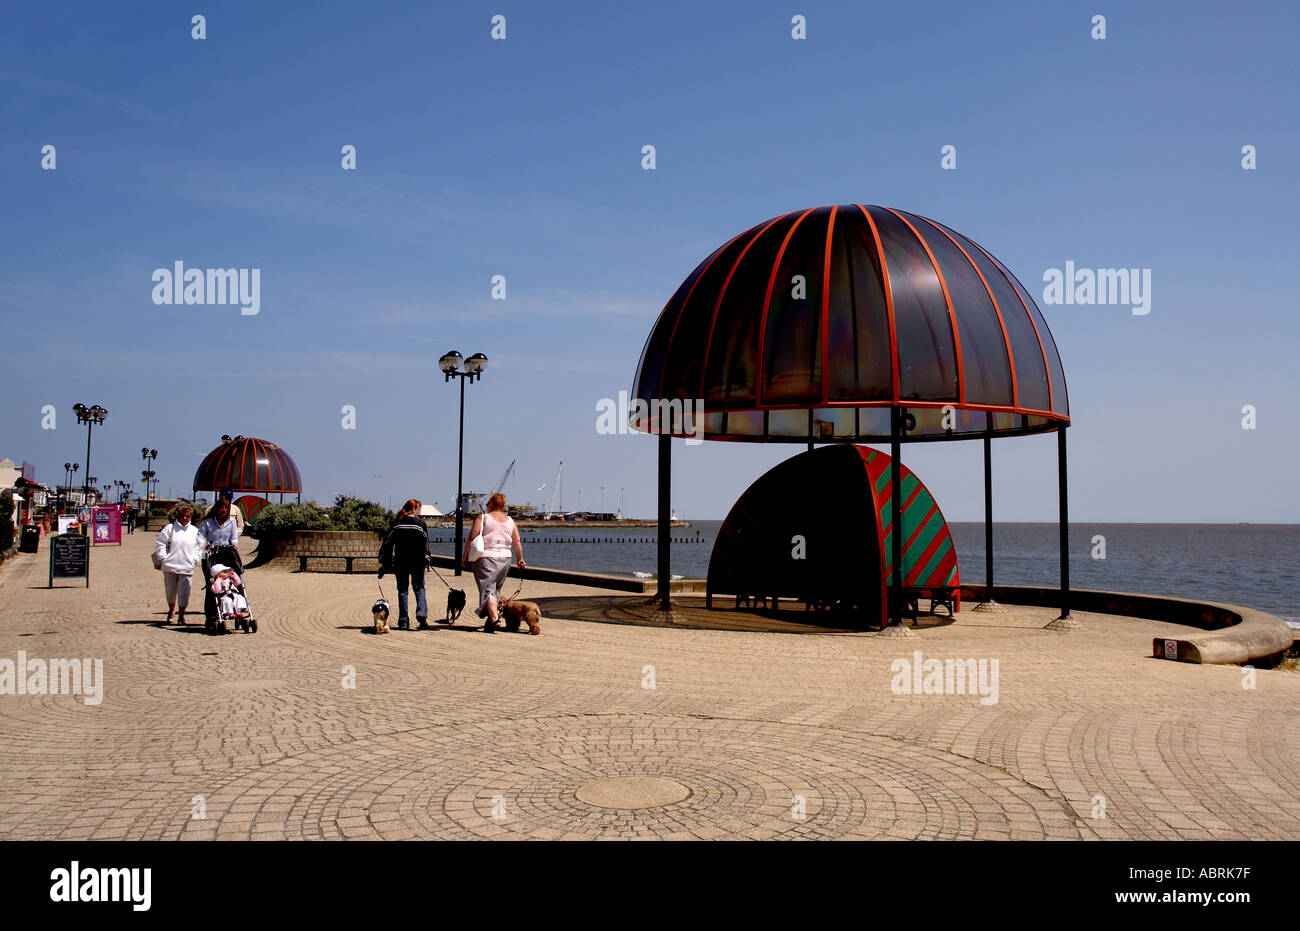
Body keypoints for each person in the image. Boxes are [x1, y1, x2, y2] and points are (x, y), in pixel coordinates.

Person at [462, 493, 525, 632]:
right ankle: (490, 620)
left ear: (491, 504)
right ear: (502, 505)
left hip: (486, 557)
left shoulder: (483, 518)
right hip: (505, 558)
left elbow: (472, 537)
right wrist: (520, 558)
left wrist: (465, 556)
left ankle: (495, 618)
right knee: (495, 589)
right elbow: (517, 541)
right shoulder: (510, 520)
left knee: (487, 589)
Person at [378, 499, 432, 630]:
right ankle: (421, 615)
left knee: (402, 590)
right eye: (418, 509)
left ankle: (403, 621)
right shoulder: (420, 524)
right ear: (413, 509)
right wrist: (427, 557)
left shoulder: (397, 524)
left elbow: (387, 544)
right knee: (419, 587)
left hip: (400, 561)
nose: (419, 512)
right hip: (418, 561)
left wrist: (384, 562)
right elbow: (425, 544)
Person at [154, 505, 203, 624]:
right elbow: (161, 544)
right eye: (183, 516)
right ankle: (171, 611)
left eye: (188, 516)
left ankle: (181, 615)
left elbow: (199, 548)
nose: (185, 518)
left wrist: (194, 560)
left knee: (184, 593)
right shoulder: (169, 528)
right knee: (170, 592)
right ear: (178, 515)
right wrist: (163, 557)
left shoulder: (195, 531)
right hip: (170, 565)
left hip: (187, 566)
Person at [198, 498, 241, 623]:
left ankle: (232, 608)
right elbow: (199, 537)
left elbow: (234, 537)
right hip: (210, 555)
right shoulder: (207, 522)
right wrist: (203, 543)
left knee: (229, 582)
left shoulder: (231, 522)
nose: (224, 511)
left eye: (227, 508)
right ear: (216, 509)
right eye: (222, 508)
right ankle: (211, 615)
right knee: (212, 584)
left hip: (226, 554)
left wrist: (234, 543)